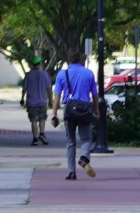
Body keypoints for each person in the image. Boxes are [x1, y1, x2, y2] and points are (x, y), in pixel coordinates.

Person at [53, 50, 97, 179]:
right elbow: (95, 94)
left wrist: (54, 114)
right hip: (85, 109)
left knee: (70, 141)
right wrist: (96, 109)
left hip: (70, 109)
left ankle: (71, 172)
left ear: (68, 61)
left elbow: (57, 96)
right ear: (80, 60)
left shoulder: (62, 74)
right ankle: (84, 158)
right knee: (87, 138)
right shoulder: (89, 73)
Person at [21, 59, 54, 147]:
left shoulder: (28, 75)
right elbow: (49, 88)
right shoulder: (45, 74)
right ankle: (42, 134)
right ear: (40, 63)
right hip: (42, 101)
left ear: (32, 64)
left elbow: (24, 88)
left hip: (31, 102)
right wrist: (51, 100)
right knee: (42, 118)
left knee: (34, 120)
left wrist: (22, 99)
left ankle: (35, 138)